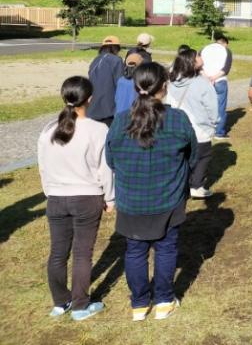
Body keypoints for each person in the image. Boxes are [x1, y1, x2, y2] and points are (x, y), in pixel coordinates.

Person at [105, 62, 198, 321]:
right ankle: (164, 300)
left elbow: (111, 159)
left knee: (135, 250)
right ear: (164, 86)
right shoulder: (177, 120)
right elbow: (193, 157)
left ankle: (140, 304)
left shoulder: (121, 121)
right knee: (165, 249)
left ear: (136, 88)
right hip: (167, 198)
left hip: (133, 200)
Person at [38, 76, 114, 321]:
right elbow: (106, 168)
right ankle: (81, 306)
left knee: (58, 252)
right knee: (82, 253)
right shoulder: (98, 129)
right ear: (89, 99)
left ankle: (61, 302)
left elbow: (43, 167)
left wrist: (50, 192)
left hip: (56, 198)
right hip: (87, 197)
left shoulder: (48, 130)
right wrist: (110, 198)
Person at [166, 48, 219, 199]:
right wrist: (213, 123)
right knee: (203, 156)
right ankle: (196, 185)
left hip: (178, 126)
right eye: (198, 55)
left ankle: (182, 185)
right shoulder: (202, 83)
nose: (201, 57)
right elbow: (211, 107)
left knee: (184, 157)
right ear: (193, 62)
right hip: (199, 127)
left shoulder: (173, 81)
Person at [87, 36, 123, 127]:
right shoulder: (117, 60)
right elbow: (120, 83)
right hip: (108, 107)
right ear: (116, 48)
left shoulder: (96, 60)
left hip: (93, 106)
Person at [201, 35, 232, 139]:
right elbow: (225, 69)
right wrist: (214, 78)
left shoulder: (204, 49)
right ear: (225, 43)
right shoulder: (226, 51)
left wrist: (208, 78)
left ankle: (205, 129)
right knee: (220, 107)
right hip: (219, 81)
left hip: (205, 81)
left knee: (205, 106)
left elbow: (198, 65)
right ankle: (219, 132)